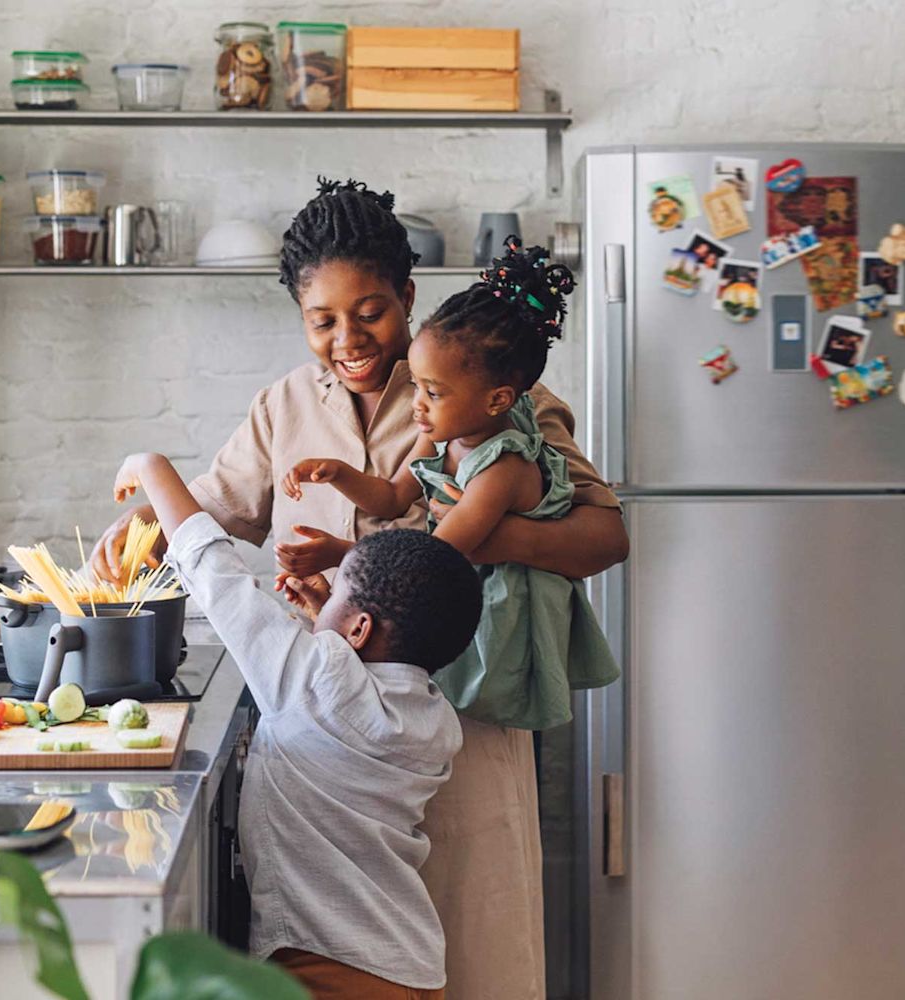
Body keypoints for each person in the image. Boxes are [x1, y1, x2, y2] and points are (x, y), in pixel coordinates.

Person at [90, 177, 628, 1000]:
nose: (348, 337)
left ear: (407, 295)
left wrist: (456, 539)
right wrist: (138, 530)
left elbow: (603, 535)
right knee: (361, 957)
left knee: (481, 948)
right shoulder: (283, 407)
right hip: (340, 747)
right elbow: (220, 507)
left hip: (468, 723)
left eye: (370, 311)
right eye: (322, 320)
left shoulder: (491, 385)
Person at [112, 450, 484, 1000]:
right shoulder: (431, 714)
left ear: (358, 630)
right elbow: (350, 700)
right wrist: (325, 624)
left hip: (328, 965)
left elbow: (215, 571)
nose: (324, 600)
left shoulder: (319, 679)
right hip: (409, 965)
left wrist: (151, 466)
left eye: (334, 593)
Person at [281, 237, 618, 729]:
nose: (416, 402)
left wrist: (342, 555)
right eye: (416, 385)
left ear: (498, 400)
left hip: (494, 625)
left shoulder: (502, 465)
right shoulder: (445, 433)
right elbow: (394, 496)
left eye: (431, 392)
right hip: (445, 603)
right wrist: (339, 474)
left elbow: (437, 559)